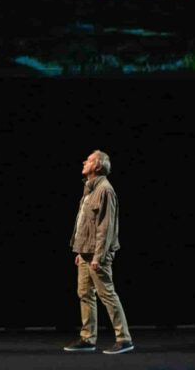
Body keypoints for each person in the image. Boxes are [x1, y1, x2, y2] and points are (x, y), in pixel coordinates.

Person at [63, 150, 134, 354]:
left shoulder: (105, 190)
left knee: (107, 294)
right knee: (84, 293)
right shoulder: (89, 189)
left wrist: (98, 256)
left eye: (90, 160)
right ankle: (88, 338)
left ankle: (124, 338)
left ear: (98, 166)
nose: (84, 161)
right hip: (85, 252)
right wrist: (81, 250)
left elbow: (106, 227)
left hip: (97, 254)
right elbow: (86, 224)